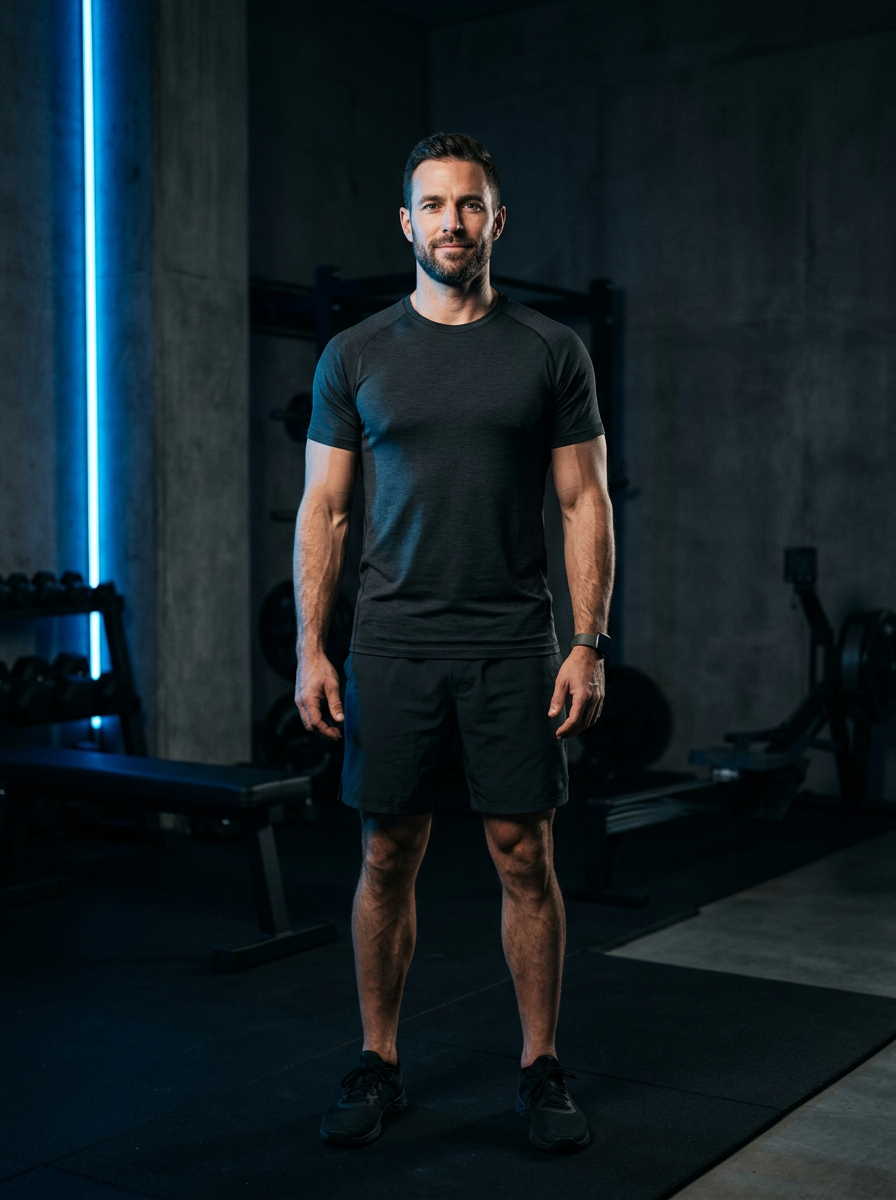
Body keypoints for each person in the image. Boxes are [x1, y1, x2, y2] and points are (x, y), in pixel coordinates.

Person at [294, 132, 614, 1153]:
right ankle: (377, 1059)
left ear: (495, 220)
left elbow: (583, 502)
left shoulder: (550, 350)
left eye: (467, 205)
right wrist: (311, 644)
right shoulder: (354, 355)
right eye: (431, 205)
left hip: (511, 640)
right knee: (387, 852)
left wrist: (587, 639)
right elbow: (325, 512)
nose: (450, 221)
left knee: (525, 853)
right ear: (405, 222)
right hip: (391, 642)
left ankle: (539, 1065)